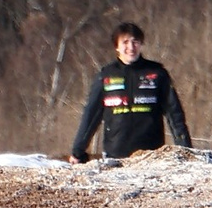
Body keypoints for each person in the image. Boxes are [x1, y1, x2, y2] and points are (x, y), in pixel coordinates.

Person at [68, 22, 192, 162]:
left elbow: (174, 114)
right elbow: (91, 115)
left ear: (141, 44)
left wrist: (186, 150)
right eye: (125, 42)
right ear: (117, 46)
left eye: (135, 42)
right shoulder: (106, 75)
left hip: (151, 155)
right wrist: (78, 151)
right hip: (116, 155)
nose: (131, 47)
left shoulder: (157, 73)